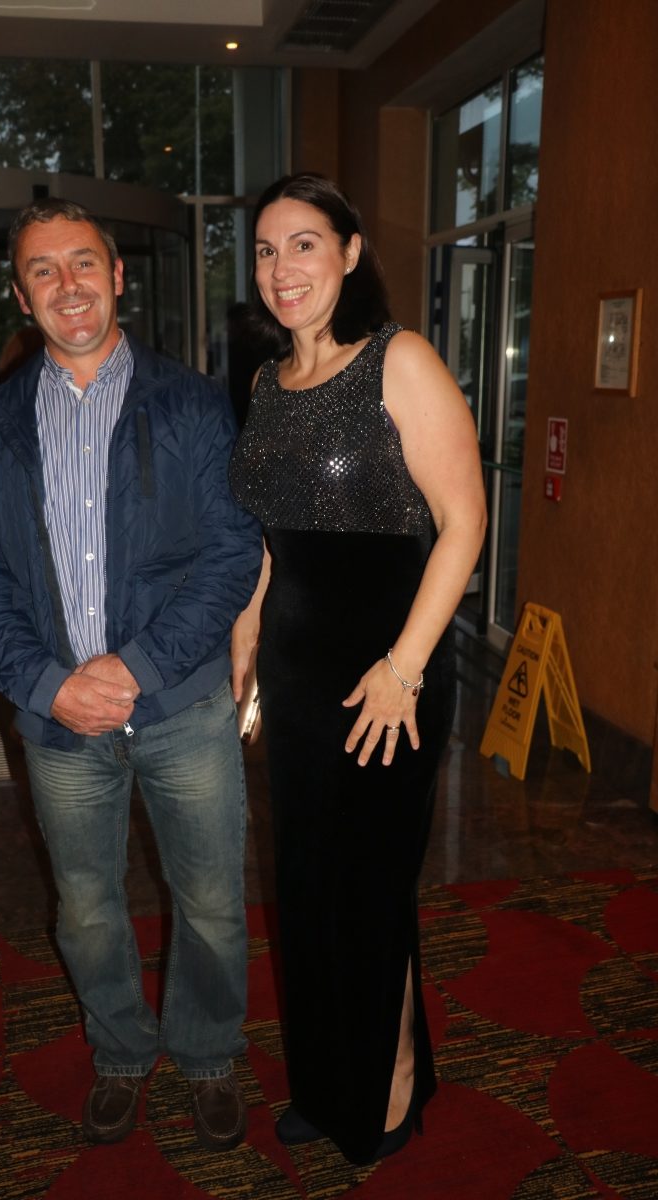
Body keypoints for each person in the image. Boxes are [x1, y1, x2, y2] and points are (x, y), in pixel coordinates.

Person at [0, 197, 263, 1152]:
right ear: (21, 295)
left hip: (184, 709)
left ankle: (207, 1053)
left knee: (211, 904)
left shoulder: (194, 402)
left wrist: (136, 666)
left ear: (118, 276)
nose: (68, 284)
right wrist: (49, 685)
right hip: (58, 726)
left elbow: (231, 553)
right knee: (85, 911)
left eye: (83, 262)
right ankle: (121, 1050)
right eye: (43, 270)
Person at [229, 174, 487, 1166]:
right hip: (296, 677)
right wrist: (247, 637)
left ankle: (391, 1083)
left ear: (348, 251)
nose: (280, 268)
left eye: (302, 243)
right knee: (305, 887)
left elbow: (463, 523)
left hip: (389, 677)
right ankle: (326, 1081)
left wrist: (403, 668)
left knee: (369, 891)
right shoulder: (265, 382)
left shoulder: (398, 360)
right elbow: (272, 537)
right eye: (265, 250)